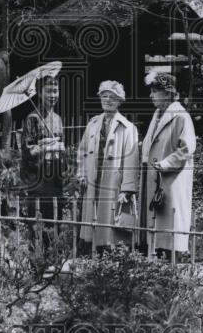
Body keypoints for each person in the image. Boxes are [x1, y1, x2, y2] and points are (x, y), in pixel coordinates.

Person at [77, 81, 140, 254]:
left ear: (120, 101)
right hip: (93, 178)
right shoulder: (93, 123)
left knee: (109, 219)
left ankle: (108, 253)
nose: (107, 100)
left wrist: (127, 189)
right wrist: (82, 174)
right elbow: (82, 151)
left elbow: (131, 160)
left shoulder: (128, 128)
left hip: (113, 182)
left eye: (112, 97)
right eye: (104, 96)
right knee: (92, 217)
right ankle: (91, 252)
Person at [139, 70, 196, 260]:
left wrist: (165, 164)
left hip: (171, 179)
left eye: (155, 91)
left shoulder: (181, 116)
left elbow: (187, 148)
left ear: (168, 93)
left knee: (171, 223)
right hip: (155, 177)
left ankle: (173, 261)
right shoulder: (157, 115)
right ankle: (158, 261)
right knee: (156, 224)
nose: (151, 95)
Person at [19, 73, 66, 217]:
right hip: (39, 179)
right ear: (40, 93)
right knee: (39, 222)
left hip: (55, 177)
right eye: (48, 91)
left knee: (56, 220)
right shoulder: (32, 118)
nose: (53, 95)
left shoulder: (58, 119)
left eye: (55, 91)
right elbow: (27, 150)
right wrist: (47, 146)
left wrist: (61, 149)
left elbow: (62, 146)